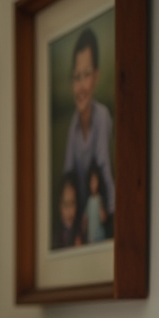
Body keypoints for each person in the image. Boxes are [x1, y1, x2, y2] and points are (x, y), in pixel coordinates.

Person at [62, 27, 115, 237]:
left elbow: (105, 170)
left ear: (96, 77)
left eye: (86, 75)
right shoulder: (72, 128)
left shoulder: (103, 117)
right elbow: (68, 179)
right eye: (76, 77)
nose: (81, 86)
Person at [55, 171, 82, 249]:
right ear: (59, 206)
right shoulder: (57, 237)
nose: (69, 211)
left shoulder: (82, 233)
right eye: (65, 204)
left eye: (72, 203)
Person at [82, 162, 107, 244]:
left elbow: (103, 218)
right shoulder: (89, 201)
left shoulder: (99, 199)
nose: (93, 184)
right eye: (91, 181)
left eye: (95, 181)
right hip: (91, 238)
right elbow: (85, 217)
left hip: (99, 236)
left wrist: (101, 210)